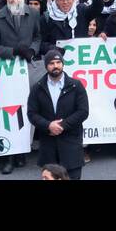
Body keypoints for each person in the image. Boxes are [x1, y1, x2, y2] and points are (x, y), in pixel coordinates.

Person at [27, 49, 89, 180]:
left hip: (71, 144)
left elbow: (83, 111)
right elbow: (32, 113)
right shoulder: (37, 88)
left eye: (58, 62)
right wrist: (48, 125)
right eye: (51, 63)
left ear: (62, 64)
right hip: (48, 147)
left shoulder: (76, 85)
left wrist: (61, 125)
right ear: (46, 66)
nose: (55, 66)